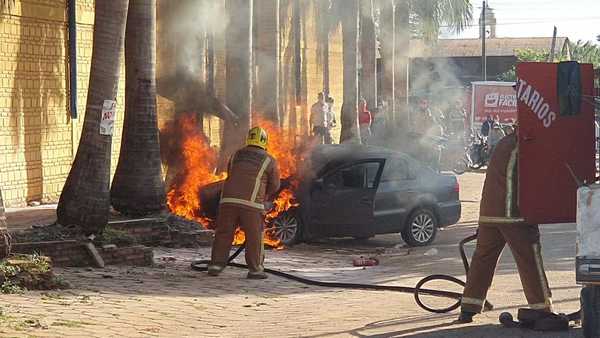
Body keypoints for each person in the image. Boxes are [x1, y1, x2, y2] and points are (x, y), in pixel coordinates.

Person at [456, 130, 553, 323]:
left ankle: (468, 307)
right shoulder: (526, 143)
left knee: (483, 258)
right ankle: (542, 307)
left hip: (489, 213)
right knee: (529, 258)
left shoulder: (505, 142)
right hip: (513, 214)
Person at [208, 127, 280, 279]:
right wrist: (264, 195)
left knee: (224, 233)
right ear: (264, 142)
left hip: (227, 200)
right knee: (254, 236)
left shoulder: (236, 155)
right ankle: (255, 269)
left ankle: (216, 265)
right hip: (252, 204)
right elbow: (275, 185)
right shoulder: (269, 160)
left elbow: (231, 173)